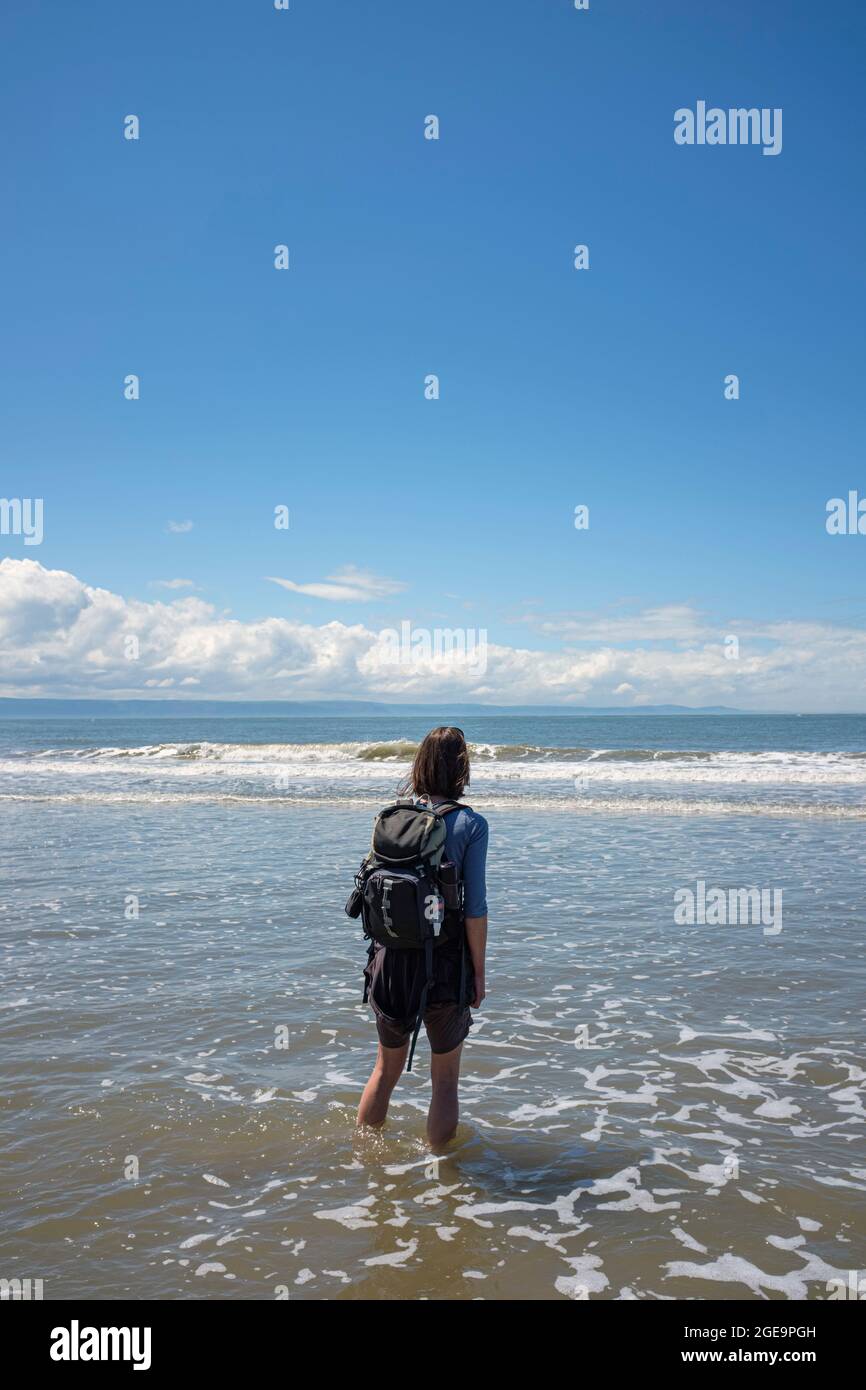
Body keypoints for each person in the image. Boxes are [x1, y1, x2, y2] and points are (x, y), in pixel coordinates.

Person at [356, 726, 488, 1148]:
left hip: (390, 961)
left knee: (383, 1070)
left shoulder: (391, 819)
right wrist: (479, 974)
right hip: (445, 965)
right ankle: (442, 1175)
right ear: (462, 768)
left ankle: (364, 1160)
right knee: (445, 1081)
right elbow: (475, 908)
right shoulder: (470, 824)